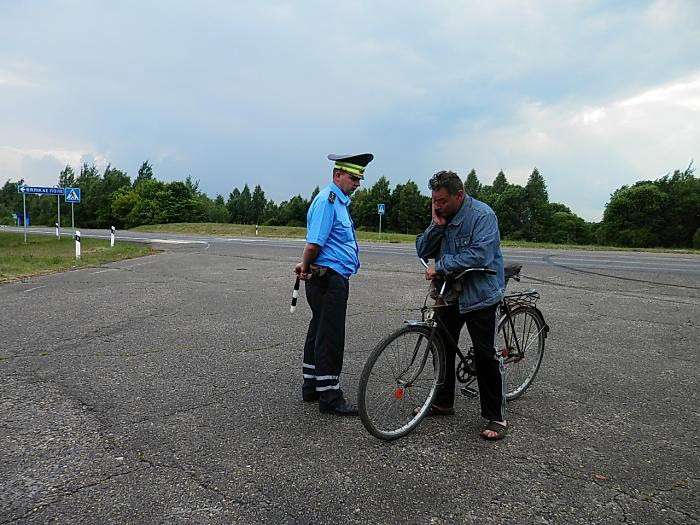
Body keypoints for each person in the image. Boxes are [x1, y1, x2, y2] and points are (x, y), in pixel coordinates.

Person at [415, 170, 508, 440]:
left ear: (459, 195)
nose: (437, 205)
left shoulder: (483, 215)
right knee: (442, 346)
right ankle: (444, 402)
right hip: (450, 294)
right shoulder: (442, 216)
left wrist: (442, 265)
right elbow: (422, 249)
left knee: (485, 354)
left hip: (480, 293)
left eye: (442, 200)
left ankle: (495, 416)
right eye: (434, 200)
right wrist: (436, 225)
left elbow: (481, 254)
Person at [294, 153, 374, 416]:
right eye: (353, 177)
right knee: (331, 336)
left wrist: (307, 266)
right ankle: (329, 396)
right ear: (337, 175)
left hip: (327, 276)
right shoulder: (328, 202)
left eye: (360, 179)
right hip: (328, 279)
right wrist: (305, 266)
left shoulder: (339, 202)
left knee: (319, 329)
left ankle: (312, 386)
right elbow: (314, 243)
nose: (357, 183)